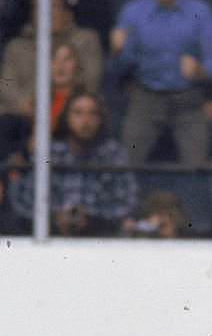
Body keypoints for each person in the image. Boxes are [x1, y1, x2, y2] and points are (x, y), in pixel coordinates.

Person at [111, 0, 212, 166]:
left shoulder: (199, 11)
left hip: (188, 100)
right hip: (147, 97)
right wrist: (117, 50)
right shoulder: (133, 11)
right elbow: (120, 67)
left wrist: (200, 71)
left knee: (197, 170)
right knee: (126, 164)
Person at [9, 90, 139, 235]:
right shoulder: (48, 153)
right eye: (78, 113)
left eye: (93, 113)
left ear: (101, 119)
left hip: (100, 237)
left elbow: (128, 202)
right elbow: (23, 200)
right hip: (50, 236)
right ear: (66, 117)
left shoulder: (113, 154)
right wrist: (54, 216)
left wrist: (91, 218)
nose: (86, 120)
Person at [0, 0, 102, 159]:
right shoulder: (17, 46)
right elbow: (6, 84)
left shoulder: (85, 39)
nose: (48, 13)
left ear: (68, 13)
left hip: (68, 106)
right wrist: (26, 103)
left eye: (55, 7)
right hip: (24, 112)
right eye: (40, 8)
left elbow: (90, 79)